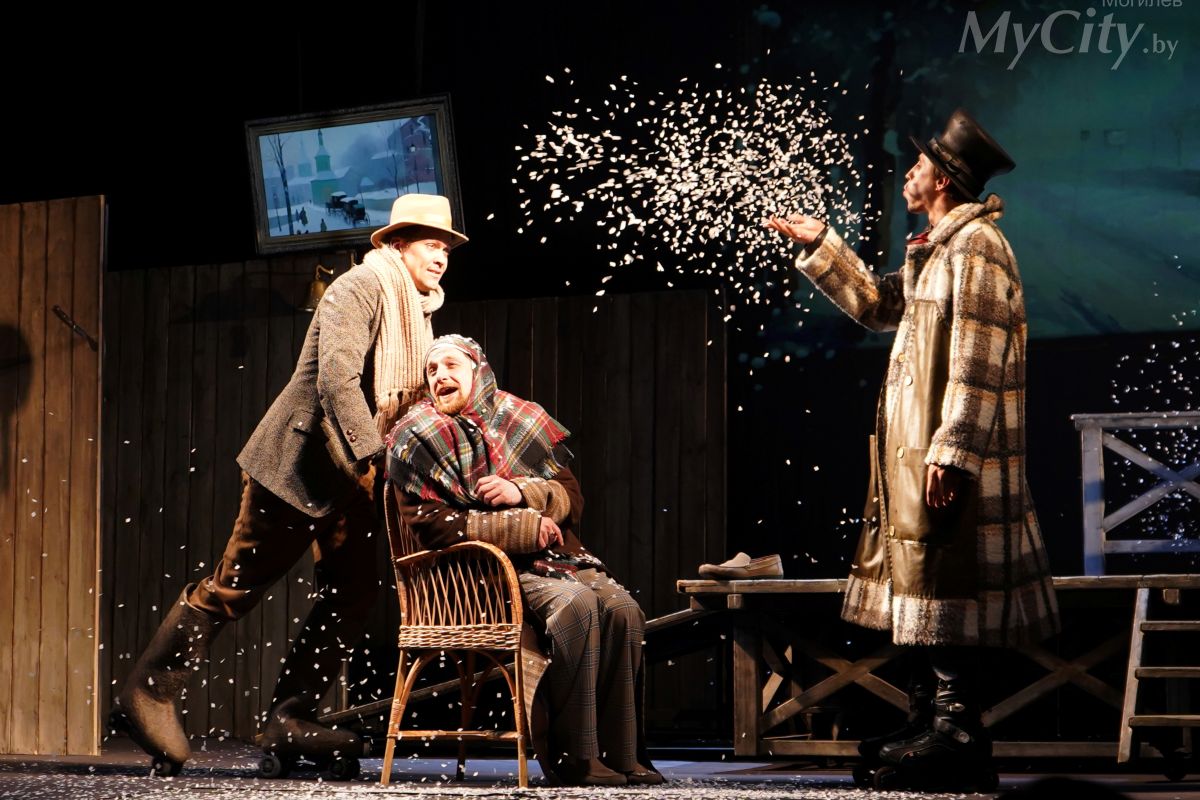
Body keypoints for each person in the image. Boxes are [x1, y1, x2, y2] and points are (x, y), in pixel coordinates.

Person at [109, 194, 467, 774]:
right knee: (235, 587)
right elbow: (337, 381)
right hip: (298, 465)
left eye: (447, 247)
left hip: (354, 478)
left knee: (353, 593)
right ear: (399, 244)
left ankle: (289, 717)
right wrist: (377, 458)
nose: (442, 256)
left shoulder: (418, 312)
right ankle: (148, 689)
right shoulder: (360, 287)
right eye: (432, 244)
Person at [766, 109, 1059, 788]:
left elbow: (979, 358)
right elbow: (878, 304)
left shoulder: (977, 246)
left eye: (920, 165)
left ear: (945, 179)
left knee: (946, 579)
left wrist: (953, 450)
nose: (908, 174)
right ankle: (930, 719)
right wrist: (824, 245)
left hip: (945, 451)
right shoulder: (937, 250)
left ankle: (958, 731)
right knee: (924, 579)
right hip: (916, 450)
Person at [387, 335, 662, 787]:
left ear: (479, 372)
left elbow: (572, 497)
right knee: (577, 607)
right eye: (432, 370)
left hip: (556, 559)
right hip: (482, 573)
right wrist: (519, 527)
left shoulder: (519, 419)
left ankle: (623, 754)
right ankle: (577, 755)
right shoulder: (417, 438)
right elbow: (430, 525)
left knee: (623, 610)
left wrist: (523, 491)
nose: (440, 376)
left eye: (451, 365)